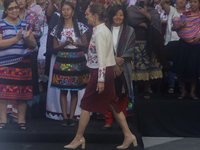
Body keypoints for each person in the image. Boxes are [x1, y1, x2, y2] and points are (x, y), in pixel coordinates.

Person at [64, 3, 138, 149]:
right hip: (103, 71)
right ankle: (129, 135)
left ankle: (79, 138)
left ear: (95, 16)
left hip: (100, 72)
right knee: (112, 104)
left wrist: (101, 79)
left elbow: (103, 58)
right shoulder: (103, 30)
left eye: (87, 14)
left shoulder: (99, 32)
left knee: (85, 104)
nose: (86, 17)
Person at [50, 1, 89, 126]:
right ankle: (64, 117)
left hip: (77, 59)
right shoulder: (57, 28)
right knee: (62, 90)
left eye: (68, 9)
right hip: (62, 59)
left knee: (74, 90)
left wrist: (76, 44)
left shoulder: (80, 26)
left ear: (73, 11)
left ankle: (71, 117)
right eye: (63, 10)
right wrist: (64, 44)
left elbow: (86, 44)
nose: (65, 12)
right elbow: (54, 48)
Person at [0, 0, 36, 129]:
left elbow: (33, 45)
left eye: (16, 7)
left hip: (23, 63)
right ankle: (2, 121)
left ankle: (21, 121)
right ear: (5, 10)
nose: (14, 10)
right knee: (3, 94)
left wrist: (28, 39)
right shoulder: (1, 24)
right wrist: (16, 39)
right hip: (5, 64)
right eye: (11, 8)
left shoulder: (26, 24)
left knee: (23, 93)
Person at [102, 5, 135, 130]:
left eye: (121, 14)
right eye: (116, 14)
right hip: (108, 66)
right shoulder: (105, 29)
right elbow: (102, 48)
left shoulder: (130, 30)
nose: (118, 17)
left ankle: (123, 120)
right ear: (111, 16)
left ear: (124, 16)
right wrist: (114, 61)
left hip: (124, 67)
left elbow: (131, 48)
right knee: (110, 94)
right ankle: (108, 121)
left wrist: (118, 63)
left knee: (122, 95)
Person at [127, 0, 163, 99]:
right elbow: (129, 20)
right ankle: (135, 89)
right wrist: (143, 24)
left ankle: (147, 89)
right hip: (135, 40)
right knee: (135, 67)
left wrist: (146, 14)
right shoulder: (131, 9)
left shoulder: (152, 11)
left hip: (149, 41)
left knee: (148, 65)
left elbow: (156, 21)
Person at [171, 0, 200, 99]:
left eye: (195, 2)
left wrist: (199, 37)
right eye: (191, 2)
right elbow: (173, 28)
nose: (192, 4)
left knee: (194, 69)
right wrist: (179, 27)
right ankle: (183, 92)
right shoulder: (184, 14)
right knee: (181, 69)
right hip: (183, 45)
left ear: (199, 4)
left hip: (196, 46)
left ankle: (192, 92)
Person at [160, 0, 188, 95]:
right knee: (172, 63)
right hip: (171, 42)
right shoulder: (171, 10)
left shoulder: (189, 12)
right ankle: (171, 86)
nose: (181, 1)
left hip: (184, 42)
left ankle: (182, 87)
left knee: (182, 64)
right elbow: (162, 3)